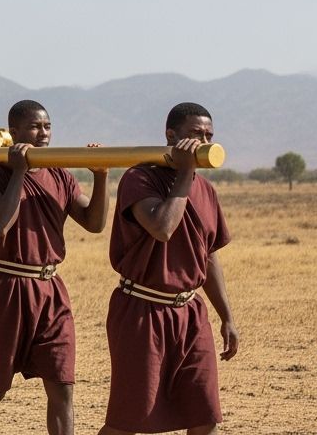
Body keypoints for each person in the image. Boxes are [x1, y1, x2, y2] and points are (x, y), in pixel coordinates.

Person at [0, 100, 109, 435]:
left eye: (47, 126)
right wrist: (18, 170)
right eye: (34, 127)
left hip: (50, 291)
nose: (43, 133)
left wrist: (101, 177)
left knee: (62, 384)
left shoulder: (60, 173)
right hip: (4, 287)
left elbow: (94, 222)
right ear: (14, 132)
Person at [98, 102, 238, 435]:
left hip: (190, 314)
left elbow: (208, 255)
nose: (203, 142)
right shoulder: (139, 178)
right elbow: (163, 227)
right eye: (195, 134)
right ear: (170, 136)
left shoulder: (206, 190)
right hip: (142, 310)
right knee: (129, 419)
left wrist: (227, 316)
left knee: (205, 416)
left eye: (208, 135)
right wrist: (186, 173)